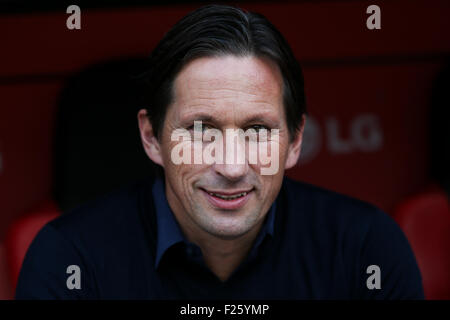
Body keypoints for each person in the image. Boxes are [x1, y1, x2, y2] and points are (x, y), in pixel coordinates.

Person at [16, 4, 423, 299]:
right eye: (200, 130)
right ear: (151, 137)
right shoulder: (70, 258)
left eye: (257, 130)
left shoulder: (366, 248)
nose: (230, 165)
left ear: (296, 140)